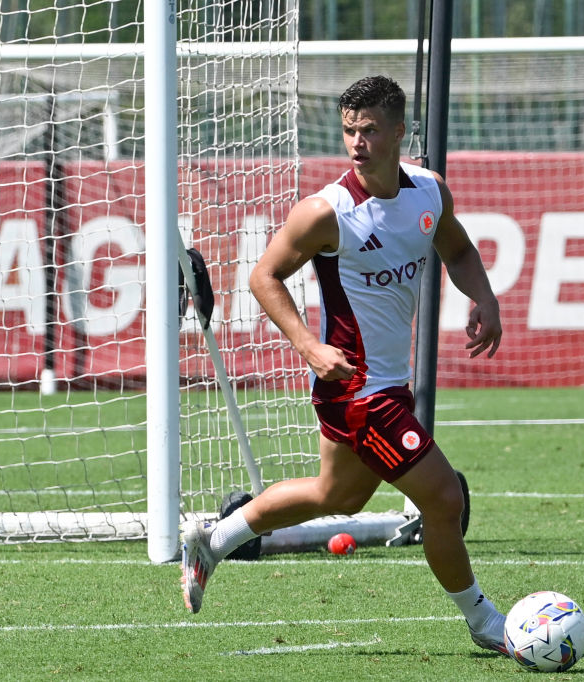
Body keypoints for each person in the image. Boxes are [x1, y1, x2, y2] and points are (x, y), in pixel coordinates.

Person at [180, 75, 508, 655]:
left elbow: (455, 248)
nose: (357, 142)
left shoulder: (429, 192)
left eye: (370, 130)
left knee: (339, 496)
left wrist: (483, 297)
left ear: (400, 130)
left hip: (387, 385)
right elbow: (263, 276)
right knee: (443, 499)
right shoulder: (327, 211)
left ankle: (214, 540)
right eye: (349, 131)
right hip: (354, 388)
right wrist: (307, 344)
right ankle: (485, 622)